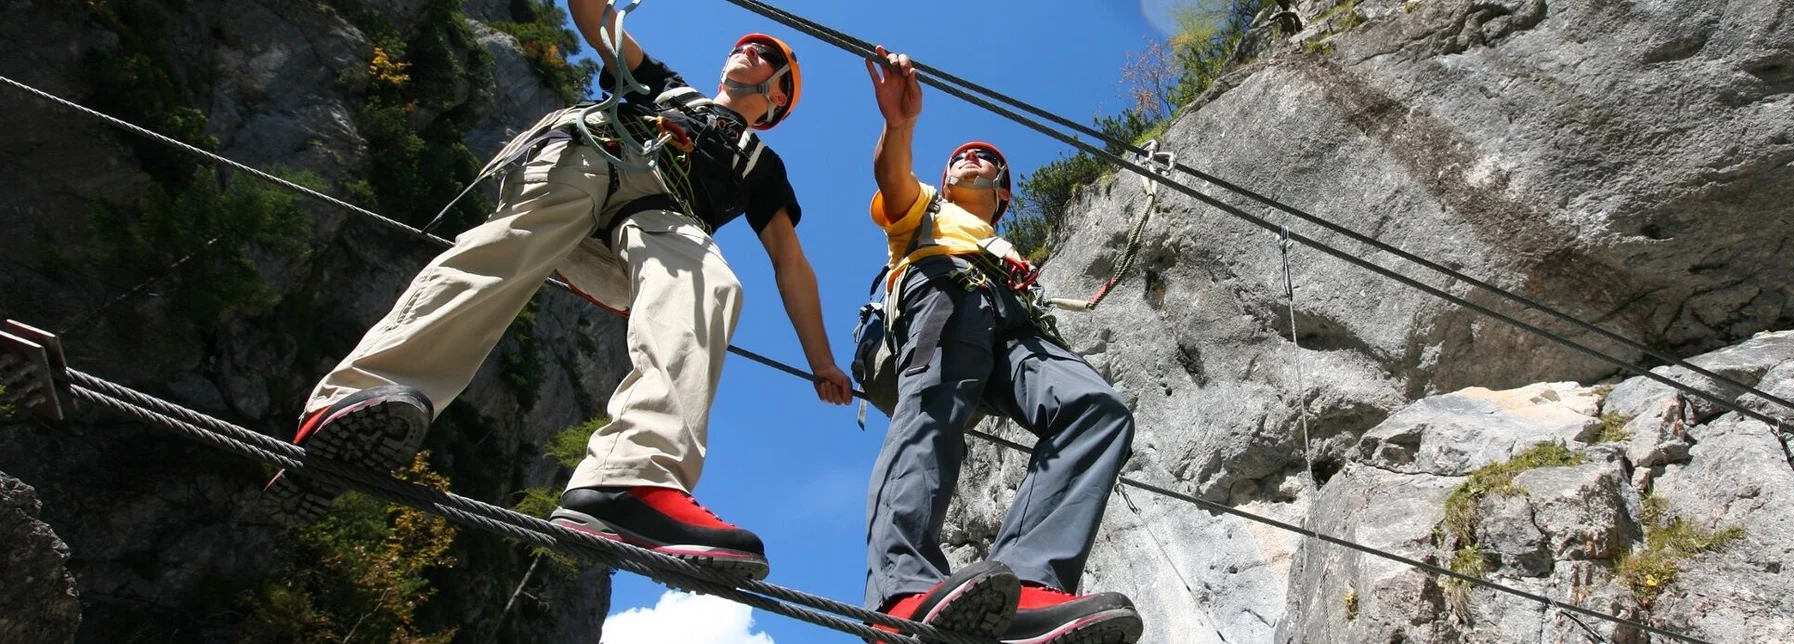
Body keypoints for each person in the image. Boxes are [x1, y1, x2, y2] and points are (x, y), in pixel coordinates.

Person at [258, 0, 851, 582]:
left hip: (660, 215)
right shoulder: (667, 87)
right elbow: (595, 18)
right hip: (599, 154)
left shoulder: (759, 165)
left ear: (776, 99)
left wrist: (821, 361)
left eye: (764, 54)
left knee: (711, 281)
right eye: (744, 44)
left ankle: (631, 478)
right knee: (514, 243)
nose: (744, 50)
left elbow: (790, 263)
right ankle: (370, 393)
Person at [858, 46, 1145, 642]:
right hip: (946, 296)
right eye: (962, 158)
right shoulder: (924, 212)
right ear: (943, 179)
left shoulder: (1007, 247)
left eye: (984, 160)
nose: (971, 161)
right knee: (930, 418)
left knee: (1099, 411)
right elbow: (891, 177)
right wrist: (899, 124)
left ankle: (1030, 576)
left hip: (1015, 322)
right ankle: (900, 588)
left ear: (1003, 193)